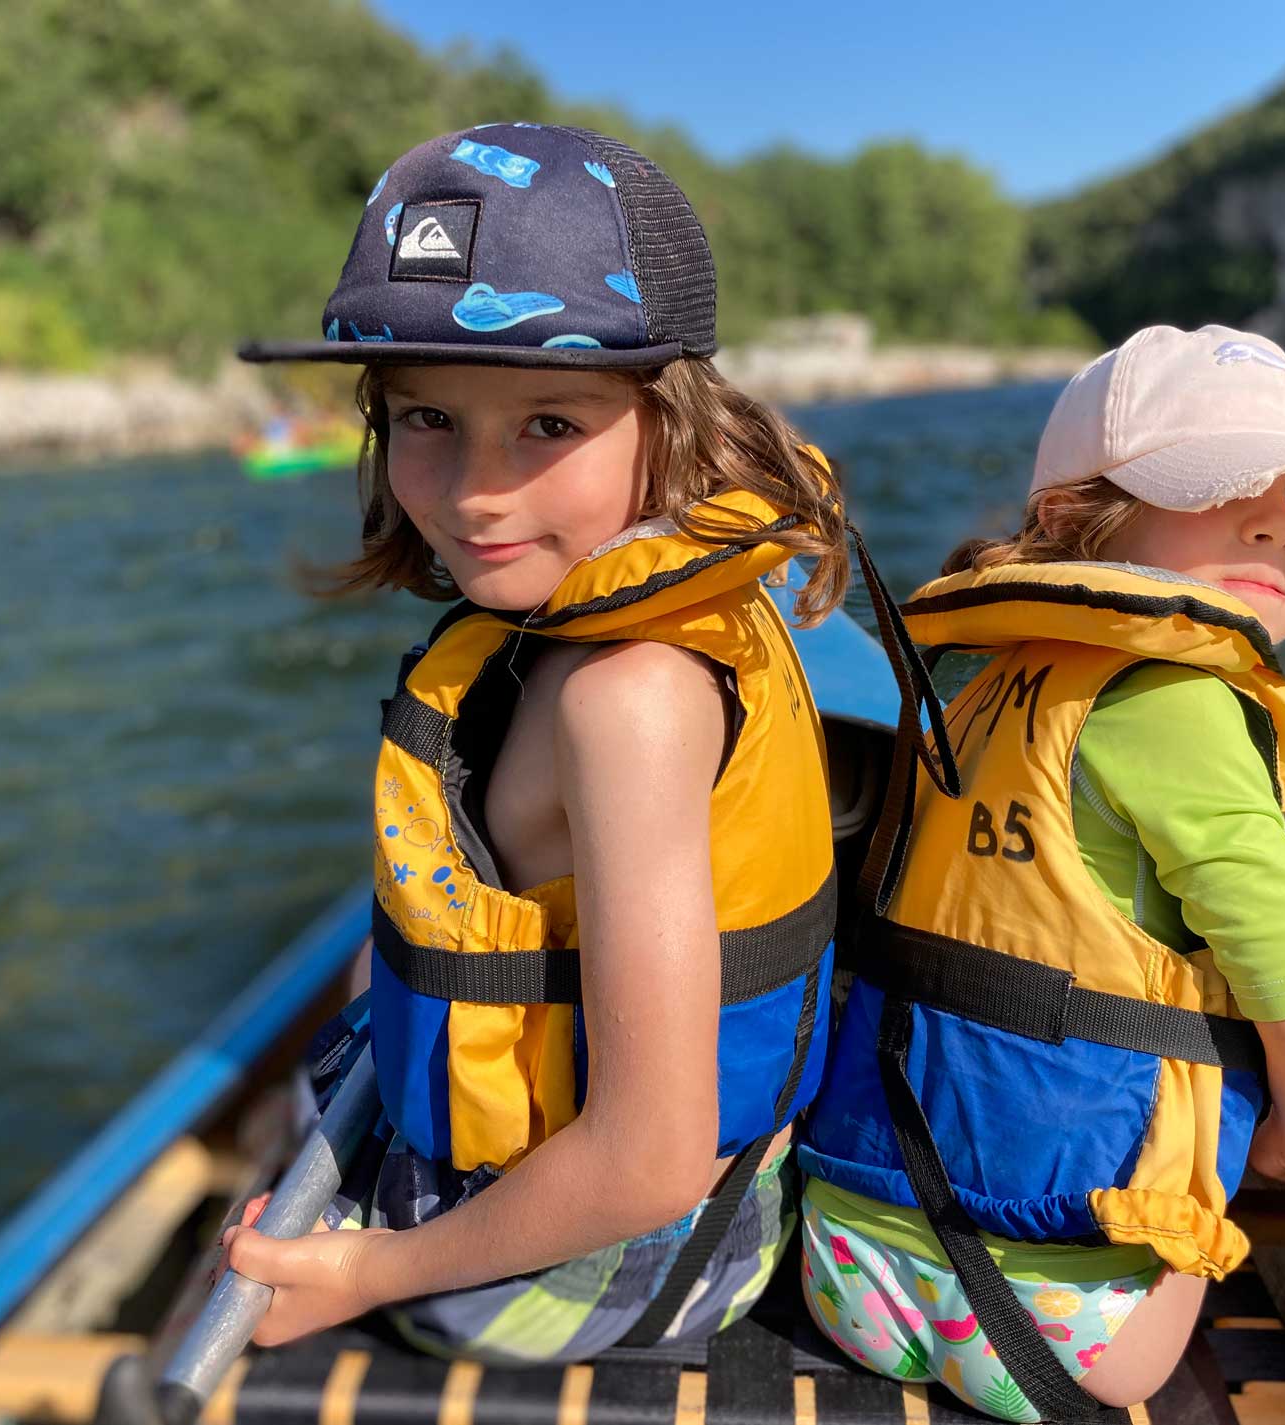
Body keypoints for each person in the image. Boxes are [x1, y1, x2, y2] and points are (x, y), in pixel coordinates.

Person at [219, 123, 851, 1363]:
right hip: (678, 1207)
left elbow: (649, 1159)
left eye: (548, 425)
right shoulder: (681, 596)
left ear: (676, 422)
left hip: (625, 1257)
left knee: (266, 1195)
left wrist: (365, 1272)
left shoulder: (630, 699)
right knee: (333, 1047)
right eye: (426, 419)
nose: (472, 492)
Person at [797, 325, 1285, 1421]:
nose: (1275, 518)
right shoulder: (1175, 705)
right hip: (1068, 1326)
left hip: (844, 1257)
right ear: (1070, 518)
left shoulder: (982, 674)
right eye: (1221, 482)